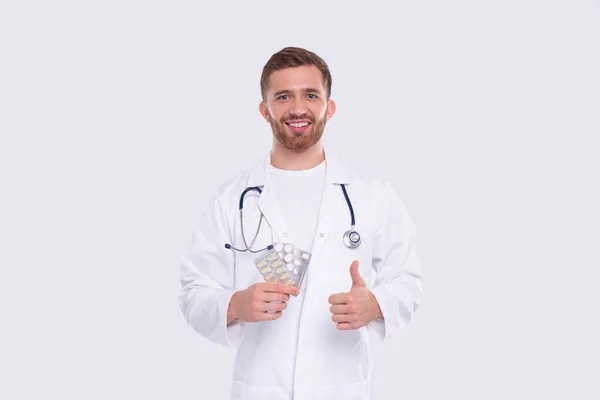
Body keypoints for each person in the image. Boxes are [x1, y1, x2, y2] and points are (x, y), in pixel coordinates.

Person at [179, 46, 423, 400]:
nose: (297, 108)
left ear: (330, 107)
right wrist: (235, 305)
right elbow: (193, 290)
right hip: (262, 388)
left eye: (311, 95)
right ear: (265, 111)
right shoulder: (232, 198)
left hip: (341, 387)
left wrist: (375, 304)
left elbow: (408, 280)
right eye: (283, 96)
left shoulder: (372, 193)